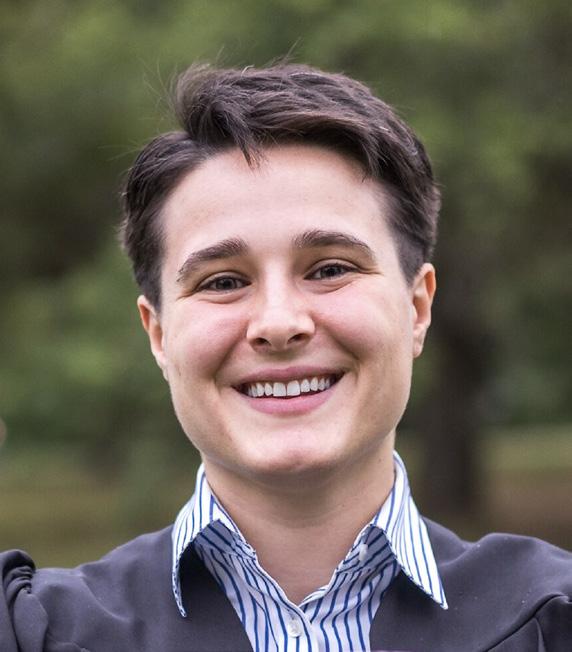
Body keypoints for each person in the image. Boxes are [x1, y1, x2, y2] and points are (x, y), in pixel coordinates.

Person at [1, 63, 570, 652]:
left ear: (417, 307)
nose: (278, 324)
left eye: (330, 269)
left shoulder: (552, 621)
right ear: (160, 334)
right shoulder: (38, 632)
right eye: (223, 282)